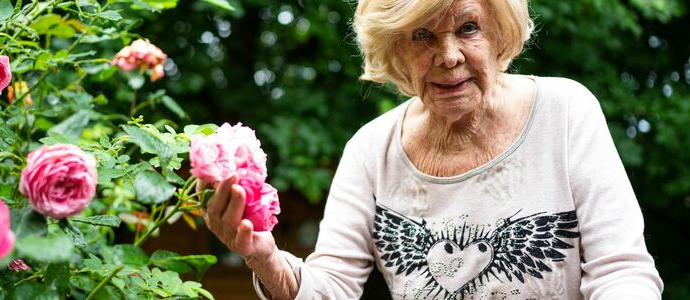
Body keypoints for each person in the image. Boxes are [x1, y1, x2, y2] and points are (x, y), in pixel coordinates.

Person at [201, 0, 664, 298]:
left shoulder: (566, 112)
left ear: (499, 32)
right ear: (396, 51)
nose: (448, 56)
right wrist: (264, 258)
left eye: (467, 28)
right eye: (422, 35)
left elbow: (622, 273)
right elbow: (333, 286)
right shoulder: (370, 150)